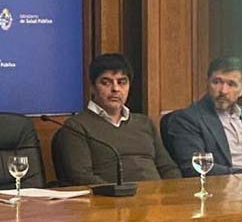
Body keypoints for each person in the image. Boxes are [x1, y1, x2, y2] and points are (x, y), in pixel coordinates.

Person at [54, 53, 179, 184]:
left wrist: (174, 193)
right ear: (92, 87)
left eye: (122, 82)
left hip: (158, 200)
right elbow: (81, 176)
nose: (115, 89)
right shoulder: (76, 127)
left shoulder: (144, 123)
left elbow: (168, 168)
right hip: (111, 200)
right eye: (106, 82)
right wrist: (120, 194)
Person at [164, 56, 242, 176]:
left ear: (241, 90)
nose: (223, 91)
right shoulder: (187, 119)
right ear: (207, 83)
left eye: (231, 84)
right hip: (226, 185)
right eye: (217, 82)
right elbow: (193, 166)